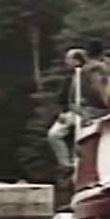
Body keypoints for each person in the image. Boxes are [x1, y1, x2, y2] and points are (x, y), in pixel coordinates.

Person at [47, 48, 86, 176]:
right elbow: (63, 98)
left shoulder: (84, 75)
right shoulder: (68, 78)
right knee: (53, 134)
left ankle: (75, 162)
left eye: (69, 59)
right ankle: (65, 164)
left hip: (83, 111)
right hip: (69, 111)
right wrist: (62, 112)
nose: (66, 62)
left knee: (58, 134)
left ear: (77, 60)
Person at [79, 39, 110, 121]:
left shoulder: (85, 68)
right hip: (99, 110)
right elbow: (97, 85)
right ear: (102, 52)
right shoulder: (96, 68)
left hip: (88, 108)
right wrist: (107, 103)